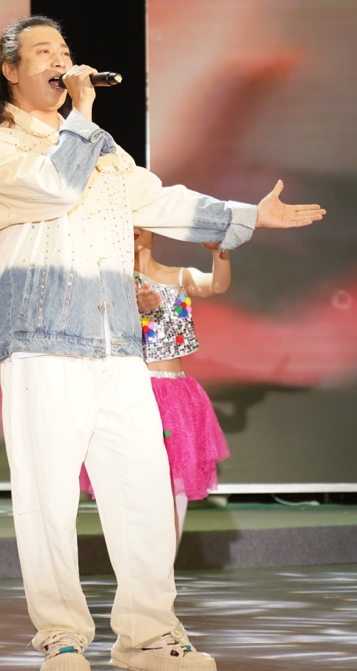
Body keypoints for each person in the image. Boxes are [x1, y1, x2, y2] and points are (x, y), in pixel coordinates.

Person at [0, 15, 325, 671]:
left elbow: (160, 201)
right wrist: (81, 113)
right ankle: (61, 635)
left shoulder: (100, 149)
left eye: (65, 49)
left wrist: (248, 216)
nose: (61, 60)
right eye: (43, 51)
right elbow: (55, 186)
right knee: (47, 495)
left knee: (144, 488)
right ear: (11, 70)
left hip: (117, 345)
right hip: (44, 341)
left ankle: (148, 634)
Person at [80, 230, 233, 544]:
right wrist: (130, 306)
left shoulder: (178, 276)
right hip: (132, 390)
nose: (133, 229)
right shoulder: (108, 284)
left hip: (176, 394)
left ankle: (165, 564)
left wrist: (219, 252)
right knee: (136, 481)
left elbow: (217, 285)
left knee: (176, 480)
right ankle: (139, 560)